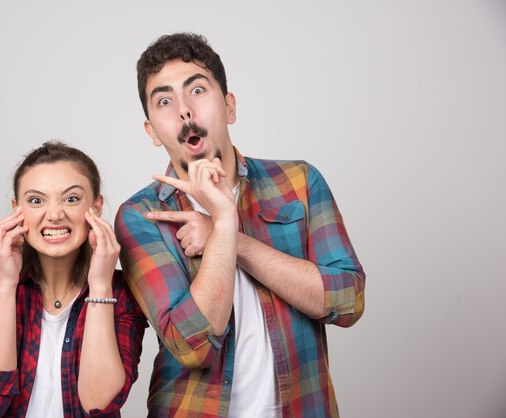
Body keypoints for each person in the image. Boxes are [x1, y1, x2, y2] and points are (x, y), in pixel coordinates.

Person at [115, 33, 365, 418]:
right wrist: (225, 226)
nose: (184, 110)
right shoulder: (141, 216)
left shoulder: (299, 182)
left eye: (197, 90)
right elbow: (192, 345)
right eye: (164, 101)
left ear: (229, 106)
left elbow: (347, 301)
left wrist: (224, 233)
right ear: (151, 131)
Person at [0, 141, 147, 418]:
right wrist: (5, 285)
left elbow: (99, 403)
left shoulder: (122, 292)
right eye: (36, 200)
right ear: (17, 210)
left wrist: (99, 285)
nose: (55, 214)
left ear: (96, 207)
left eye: (71, 199)